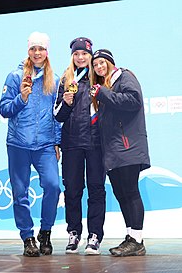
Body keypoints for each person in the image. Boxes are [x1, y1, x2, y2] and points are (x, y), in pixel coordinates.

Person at [0, 31, 61, 257]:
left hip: (45, 145)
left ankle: (46, 232)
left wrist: (57, 141)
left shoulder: (53, 80)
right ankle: (27, 237)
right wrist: (21, 98)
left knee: (53, 186)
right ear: (28, 51)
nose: (37, 53)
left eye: (41, 49)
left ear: (47, 52)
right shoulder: (15, 77)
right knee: (20, 192)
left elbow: (56, 114)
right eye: (33, 48)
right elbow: (4, 109)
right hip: (18, 145)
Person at [90, 49, 150, 257]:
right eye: (95, 64)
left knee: (131, 192)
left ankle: (137, 239)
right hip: (114, 151)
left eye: (101, 62)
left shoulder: (124, 77)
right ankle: (131, 236)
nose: (98, 67)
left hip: (128, 147)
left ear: (110, 62)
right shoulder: (106, 86)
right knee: (121, 194)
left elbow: (134, 101)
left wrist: (103, 94)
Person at [54, 37, 106, 255]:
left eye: (84, 53)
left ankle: (94, 236)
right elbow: (57, 116)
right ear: (72, 57)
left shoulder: (100, 78)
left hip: (96, 144)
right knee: (72, 191)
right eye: (77, 54)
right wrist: (65, 103)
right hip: (72, 144)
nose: (81, 57)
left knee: (96, 190)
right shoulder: (66, 80)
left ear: (90, 55)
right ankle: (73, 233)